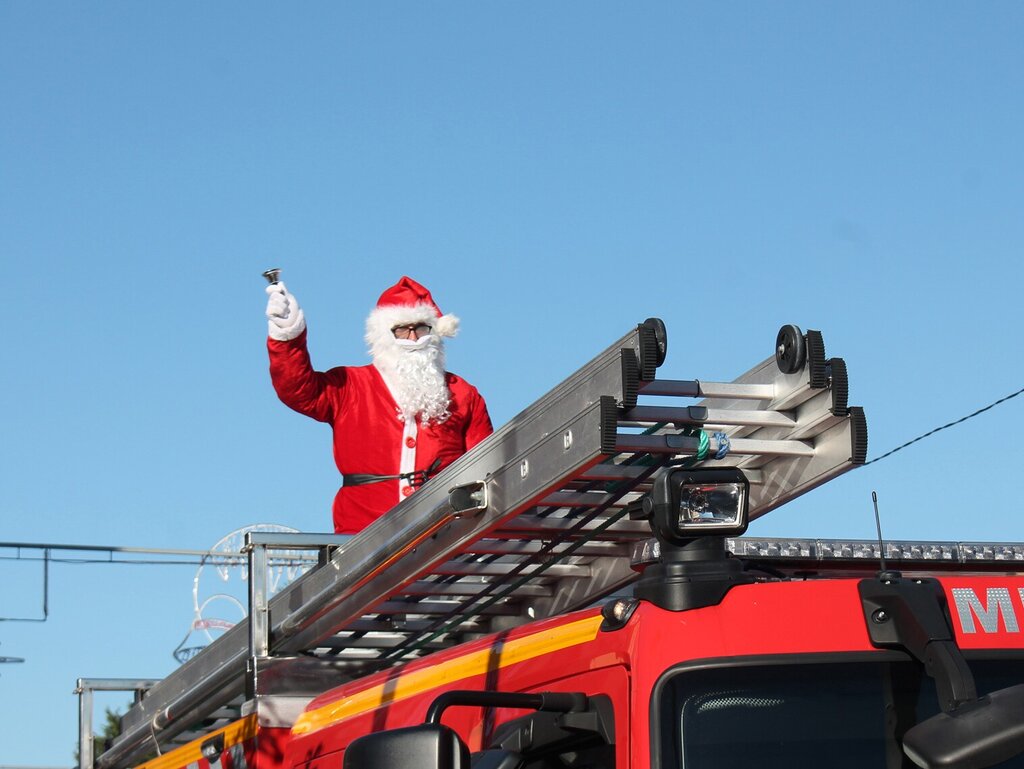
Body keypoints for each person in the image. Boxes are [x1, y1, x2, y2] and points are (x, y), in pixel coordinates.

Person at [265, 275, 494, 534]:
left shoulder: (462, 393)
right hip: (363, 535)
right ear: (383, 335)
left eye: (421, 328)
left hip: (444, 536)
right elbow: (297, 390)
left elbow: (486, 467)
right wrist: (288, 338)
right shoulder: (350, 385)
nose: (413, 337)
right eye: (402, 329)